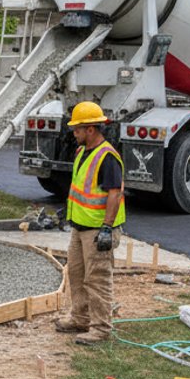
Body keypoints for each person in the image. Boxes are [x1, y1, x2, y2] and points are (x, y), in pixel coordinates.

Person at [56, 101, 125, 345]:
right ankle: (80, 318)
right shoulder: (82, 152)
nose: (74, 133)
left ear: (91, 130)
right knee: (76, 274)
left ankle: (101, 329)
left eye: (78, 129)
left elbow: (114, 194)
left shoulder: (108, 158)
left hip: (98, 231)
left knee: (97, 280)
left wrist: (107, 228)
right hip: (79, 227)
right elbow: (81, 187)